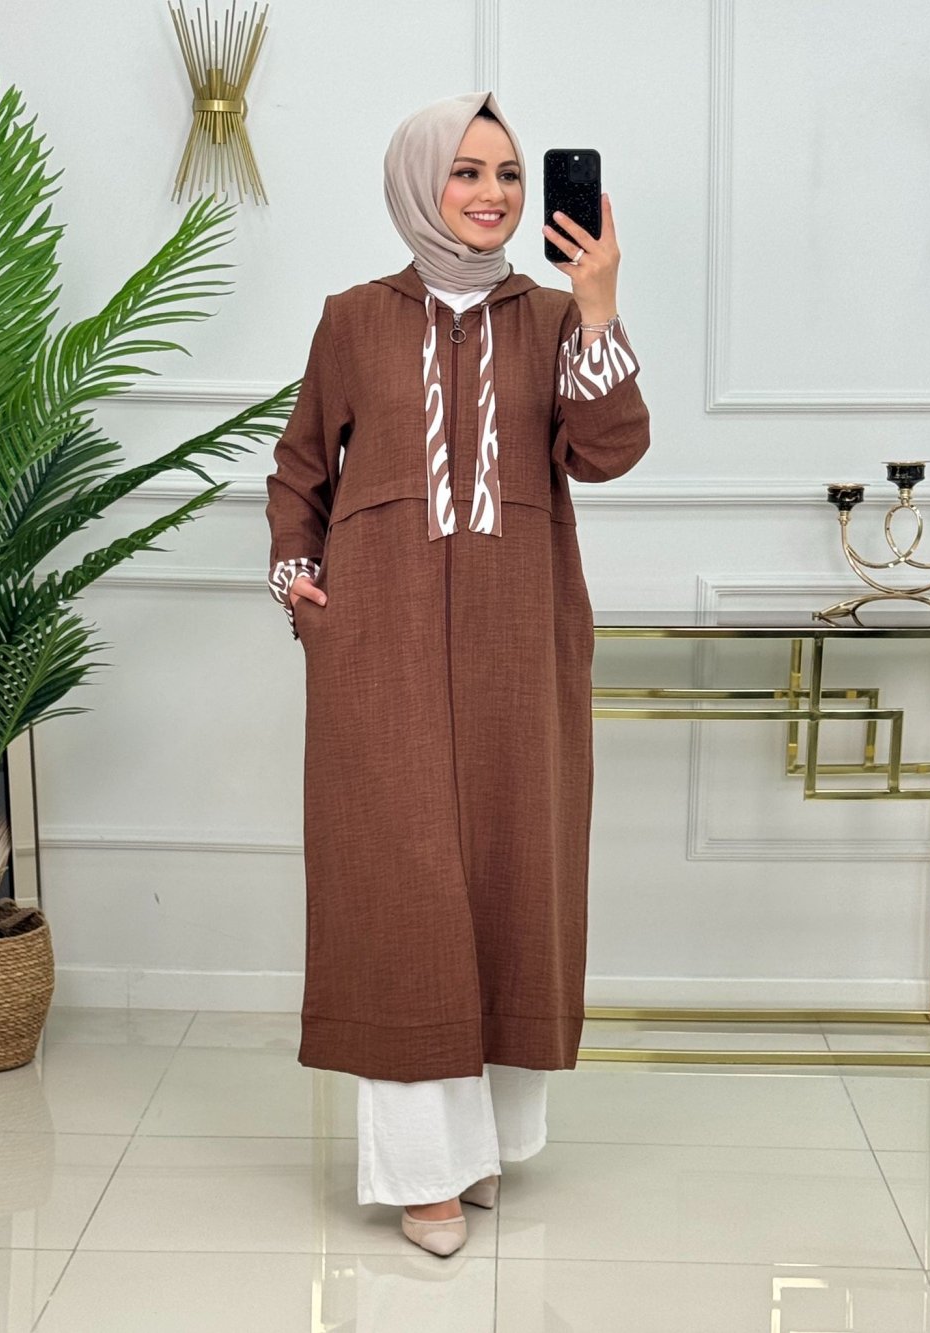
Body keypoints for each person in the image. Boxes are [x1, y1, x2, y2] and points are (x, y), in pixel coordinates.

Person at [264, 91, 650, 1258]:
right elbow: (299, 467)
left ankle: (481, 1147)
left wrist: (598, 306)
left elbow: (608, 452)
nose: (491, 194)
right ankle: (421, 1173)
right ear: (418, 183)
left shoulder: (554, 317)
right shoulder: (352, 319)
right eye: (466, 172)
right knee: (405, 889)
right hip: (376, 642)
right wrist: (297, 577)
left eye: (510, 174)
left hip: (518, 637)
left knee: (508, 876)